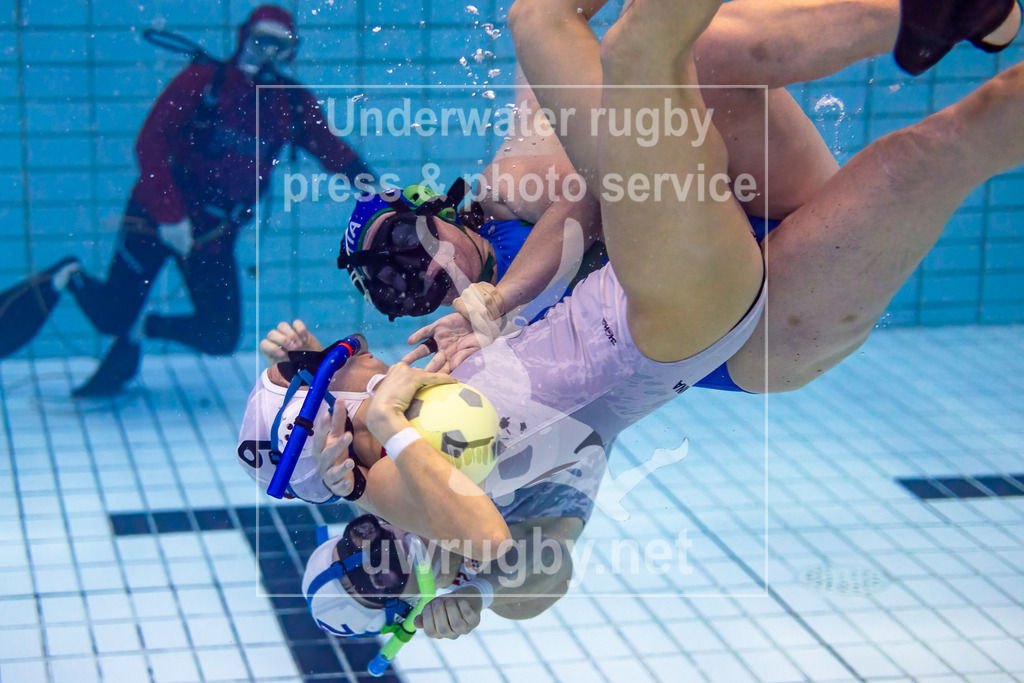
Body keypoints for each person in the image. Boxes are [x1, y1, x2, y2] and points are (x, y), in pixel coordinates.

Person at [0, 4, 373, 397]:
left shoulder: (288, 104)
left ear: (290, 52)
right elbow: (150, 144)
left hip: (213, 233)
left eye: (280, 46)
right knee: (110, 316)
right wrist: (169, 214)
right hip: (153, 218)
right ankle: (71, 276)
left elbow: (331, 149)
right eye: (261, 41)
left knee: (220, 334)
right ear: (244, 36)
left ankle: (144, 328)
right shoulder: (201, 82)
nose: (267, 54)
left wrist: (375, 192)